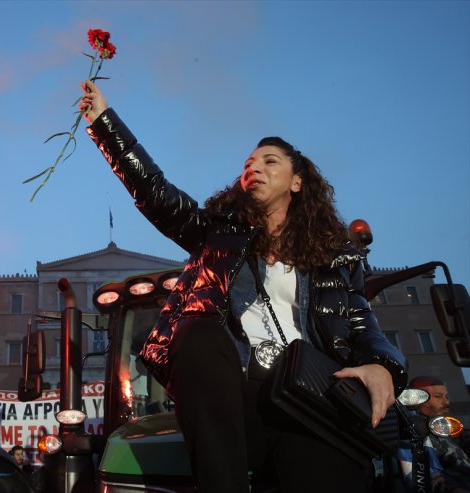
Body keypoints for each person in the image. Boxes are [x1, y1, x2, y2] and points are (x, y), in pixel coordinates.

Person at [79, 79, 407, 493]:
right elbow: (156, 193)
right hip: (236, 396)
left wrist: (385, 366)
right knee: (196, 330)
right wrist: (105, 122)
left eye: (270, 162)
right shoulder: (216, 237)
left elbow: (364, 327)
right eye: (249, 162)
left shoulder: (336, 259)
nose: (254, 167)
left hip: (309, 398)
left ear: (297, 182)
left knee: (333, 469)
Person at [408, 376, 470, 492]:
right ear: (415, 399)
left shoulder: (445, 430)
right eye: (438, 396)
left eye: (447, 396)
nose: (446, 402)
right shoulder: (412, 432)